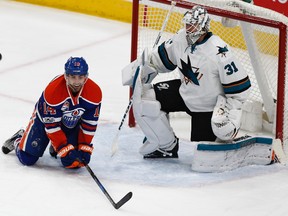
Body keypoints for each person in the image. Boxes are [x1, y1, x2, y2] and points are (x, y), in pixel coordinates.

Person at [122, 5, 251, 159]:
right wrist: (143, 69)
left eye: (193, 24)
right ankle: (166, 146)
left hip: (207, 107)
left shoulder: (219, 51)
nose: (189, 28)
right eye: (187, 24)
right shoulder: (180, 38)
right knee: (147, 98)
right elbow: (159, 60)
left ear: (203, 26)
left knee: (202, 156)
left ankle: (222, 141)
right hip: (184, 93)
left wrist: (228, 115)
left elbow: (240, 90)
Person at [2, 57, 102, 169]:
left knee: (74, 163)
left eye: (80, 77)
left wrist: (85, 148)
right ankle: (19, 138)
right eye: (73, 77)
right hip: (44, 121)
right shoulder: (53, 91)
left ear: (86, 77)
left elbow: (89, 125)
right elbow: (52, 126)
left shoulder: (95, 93)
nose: (76, 81)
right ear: (66, 76)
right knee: (27, 158)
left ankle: (54, 147)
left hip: (71, 123)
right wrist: (63, 147)